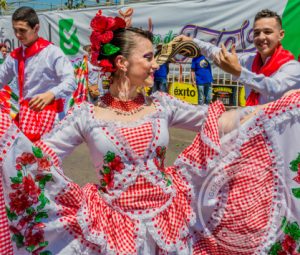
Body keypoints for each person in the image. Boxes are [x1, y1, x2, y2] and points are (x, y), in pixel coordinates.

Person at [0, 10, 300, 255]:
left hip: (171, 219)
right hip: (114, 229)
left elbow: (218, 120)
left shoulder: (162, 104)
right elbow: (38, 161)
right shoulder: (86, 115)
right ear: (122, 62)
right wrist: (6, 140)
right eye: (147, 58)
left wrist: (276, 109)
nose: (155, 64)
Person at [176, 9, 300, 105]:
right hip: (252, 127)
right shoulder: (249, 60)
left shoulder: (292, 67)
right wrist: (192, 41)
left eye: (268, 32)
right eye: (257, 33)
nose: (261, 37)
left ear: (281, 35)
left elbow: (273, 87)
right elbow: (216, 52)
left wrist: (240, 73)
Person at [0, 6, 75, 141]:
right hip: (25, 116)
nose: (17, 35)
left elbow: (71, 82)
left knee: (46, 159)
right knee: (23, 159)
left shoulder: (52, 52)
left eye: (22, 30)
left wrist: (52, 94)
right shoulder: (15, 56)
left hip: (50, 115)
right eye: (15, 30)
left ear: (36, 28)